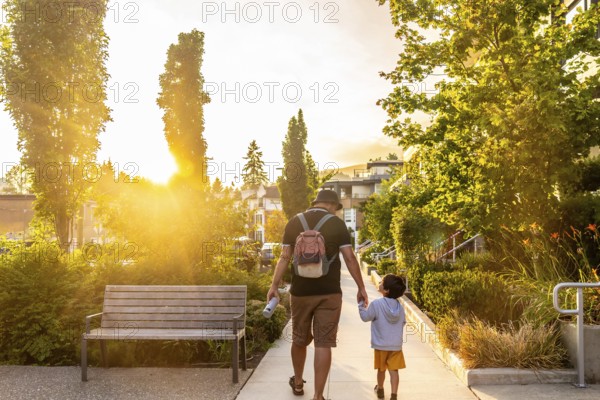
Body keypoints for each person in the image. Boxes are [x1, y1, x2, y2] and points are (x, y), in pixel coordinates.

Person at [267, 189, 369, 400]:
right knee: (323, 343)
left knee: (299, 339)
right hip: (329, 292)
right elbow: (350, 259)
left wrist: (274, 285)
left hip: (301, 292)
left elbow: (284, 257)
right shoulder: (337, 224)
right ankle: (318, 395)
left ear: (316, 203)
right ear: (332, 205)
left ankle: (297, 382)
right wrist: (361, 287)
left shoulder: (294, 222)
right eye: (336, 208)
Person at [358, 274, 407, 400]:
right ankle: (394, 395)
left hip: (381, 345)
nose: (380, 282)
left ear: (386, 290)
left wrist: (361, 305)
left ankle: (380, 389)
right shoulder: (400, 308)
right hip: (395, 345)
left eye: (382, 282)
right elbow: (403, 322)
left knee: (381, 369)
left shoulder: (377, 304)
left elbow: (365, 317)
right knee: (394, 370)